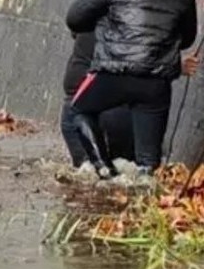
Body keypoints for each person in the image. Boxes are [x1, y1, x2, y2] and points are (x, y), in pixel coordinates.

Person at [64, 0, 197, 178]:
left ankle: (104, 171)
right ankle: (146, 205)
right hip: (156, 82)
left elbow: (75, 18)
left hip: (114, 73)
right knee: (148, 162)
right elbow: (189, 37)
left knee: (77, 110)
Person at [60, 31, 199, 167]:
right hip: (118, 109)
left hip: (74, 107)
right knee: (127, 179)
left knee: (88, 176)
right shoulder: (136, 19)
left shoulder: (87, 12)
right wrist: (175, 65)